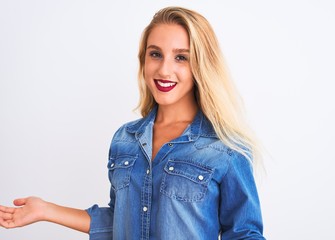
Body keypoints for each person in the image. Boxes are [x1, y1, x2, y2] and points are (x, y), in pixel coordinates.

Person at [0, 6, 265, 240]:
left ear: (201, 65)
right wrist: (46, 210)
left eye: (181, 57)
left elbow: (244, 234)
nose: (164, 69)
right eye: (155, 54)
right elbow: (118, 221)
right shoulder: (124, 139)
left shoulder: (226, 147)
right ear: (143, 60)